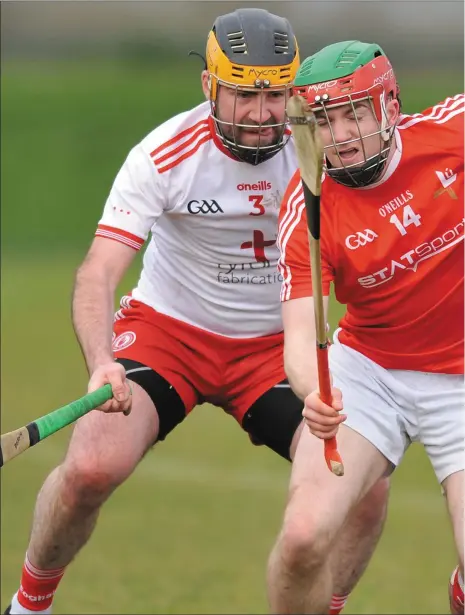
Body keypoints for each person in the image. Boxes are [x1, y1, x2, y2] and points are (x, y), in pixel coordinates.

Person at [5, 20, 389, 615]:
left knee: (365, 486)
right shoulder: (164, 153)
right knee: (89, 468)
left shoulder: (320, 146)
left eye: (275, 95)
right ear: (210, 85)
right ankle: (29, 606)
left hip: (277, 347)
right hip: (169, 334)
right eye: (245, 94)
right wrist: (102, 361)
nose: (263, 114)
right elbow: (98, 273)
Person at [270, 39, 464, 614]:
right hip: (368, 374)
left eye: (355, 112)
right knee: (303, 537)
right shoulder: (306, 206)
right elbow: (301, 339)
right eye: (326, 121)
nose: (343, 134)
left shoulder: (451, 133)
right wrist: (315, 393)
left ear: (389, 106)